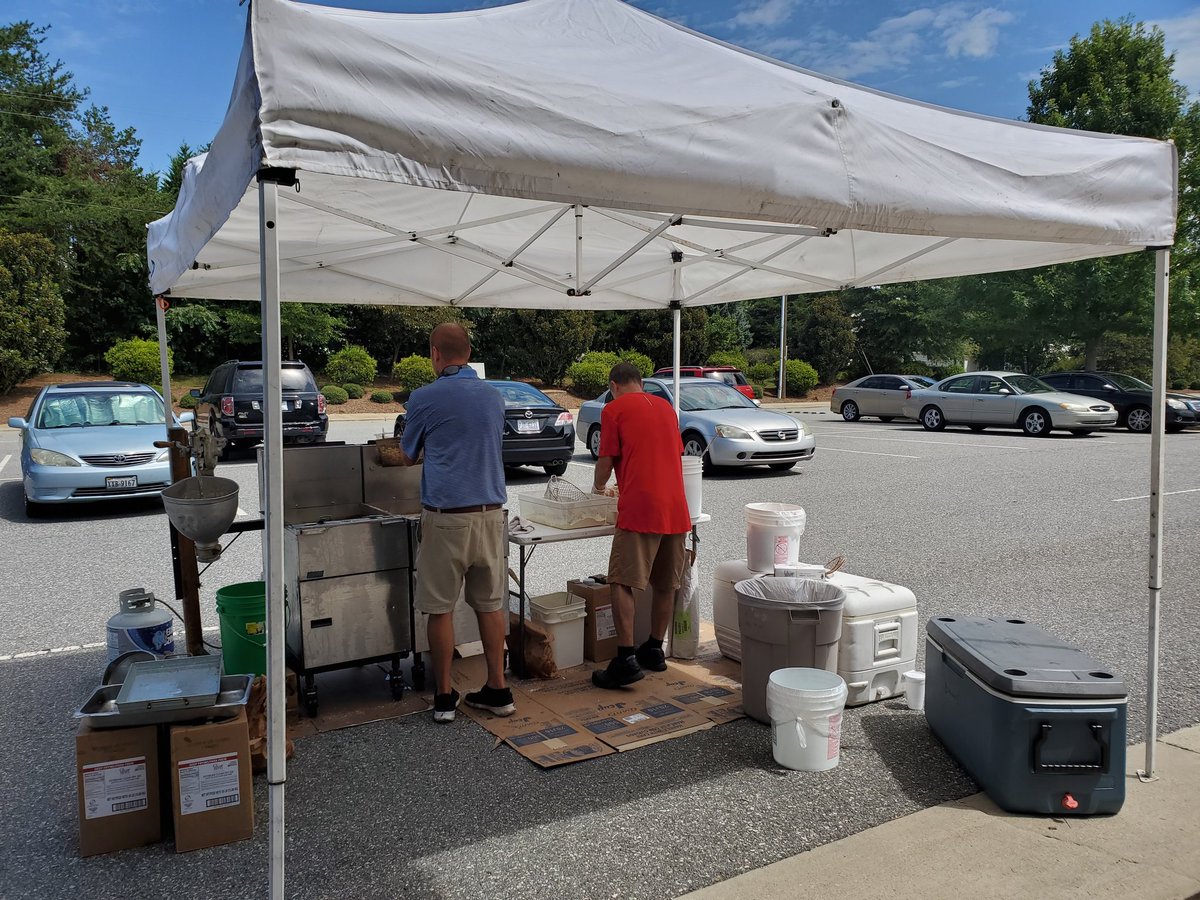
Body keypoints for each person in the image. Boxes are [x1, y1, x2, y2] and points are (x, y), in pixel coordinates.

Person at [399, 322, 514, 723]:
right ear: (469, 354)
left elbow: (407, 454)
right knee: (491, 605)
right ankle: (498, 689)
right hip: (491, 516)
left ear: (435, 353)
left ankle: (445, 697)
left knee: (440, 609)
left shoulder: (424, 397)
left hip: (446, 519)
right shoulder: (494, 397)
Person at [591, 362, 692, 689]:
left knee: (621, 580)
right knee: (665, 582)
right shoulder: (666, 409)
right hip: (676, 507)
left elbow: (606, 460)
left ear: (614, 385)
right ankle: (654, 648)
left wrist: (597, 490)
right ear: (640, 382)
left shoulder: (613, 410)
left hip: (640, 507)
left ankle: (624, 659)